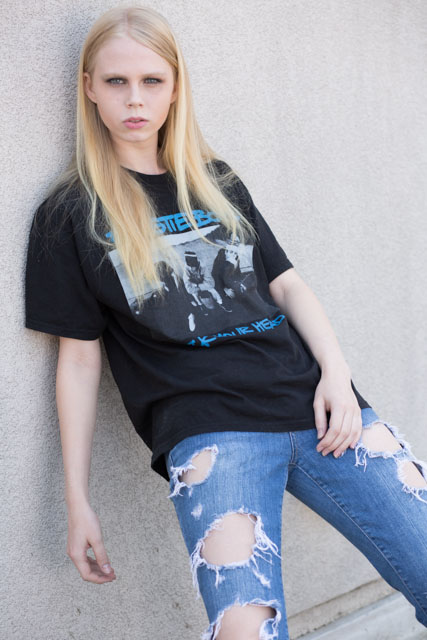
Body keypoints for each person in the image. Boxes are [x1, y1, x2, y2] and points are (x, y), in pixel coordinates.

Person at [24, 5, 427, 639]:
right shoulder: (69, 214)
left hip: (316, 406)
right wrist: (78, 502)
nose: (135, 99)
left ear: (175, 87)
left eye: (152, 81)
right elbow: (77, 359)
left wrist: (337, 375)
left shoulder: (215, 183)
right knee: (247, 632)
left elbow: (287, 285)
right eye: (117, 81)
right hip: (211, 433)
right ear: (89, 88)